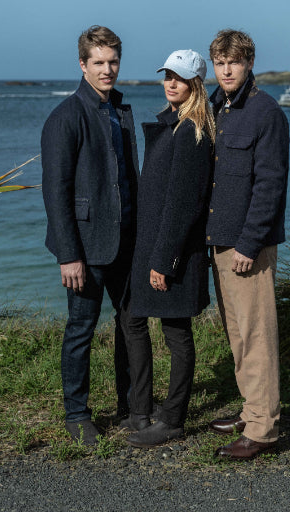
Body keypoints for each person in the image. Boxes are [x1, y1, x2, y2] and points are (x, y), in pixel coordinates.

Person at [40, 25, 139, 445]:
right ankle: (77, 414)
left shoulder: (120, 110)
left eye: (113, 61)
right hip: (84, 245)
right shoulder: (65, 117)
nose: (107, 69)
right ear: (82, 65)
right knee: (81, 328)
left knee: (130, 324)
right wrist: (68, 254)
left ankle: (132, 407)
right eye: (98, 62)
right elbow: (55, 192)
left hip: (126, 240)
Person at [122, 49, 215, 448]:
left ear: (195, 84)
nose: (171, 83)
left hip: (172, 250)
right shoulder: (173, 124)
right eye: (167, 76)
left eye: (179, 77)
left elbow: (183, 205)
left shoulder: (192, 131)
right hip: (152, 245)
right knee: (132, 318)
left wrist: (165, 260)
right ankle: (140, 410)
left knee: (177, 333)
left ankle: (173, 420)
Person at [205, 29, 289, 459]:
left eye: (234, 62)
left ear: (250, 63)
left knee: (257, 338)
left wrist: (249, 243)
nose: (226, 70)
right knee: (237, 334)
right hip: (219, 241)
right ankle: (251, 410)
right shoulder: (217, 107)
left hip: (246, 248)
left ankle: (262, 430)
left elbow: (270, 186)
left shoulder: (266, 112)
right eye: (220, 63)